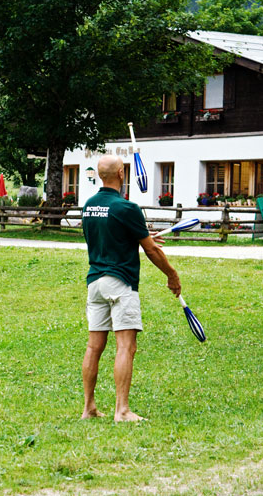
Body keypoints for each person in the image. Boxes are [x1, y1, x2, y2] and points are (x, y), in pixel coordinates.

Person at [81, 155, 181, 422]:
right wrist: (172, 274)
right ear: (122, 173)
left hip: (95, 283)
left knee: (94, 347)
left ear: (100, 175)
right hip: (120, 282)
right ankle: (122, 411)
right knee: (126, 346)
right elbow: (150, 250)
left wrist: (142, 235)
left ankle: (88, 408)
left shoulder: (89, 206)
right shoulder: (127, 208)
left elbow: (108, 235)